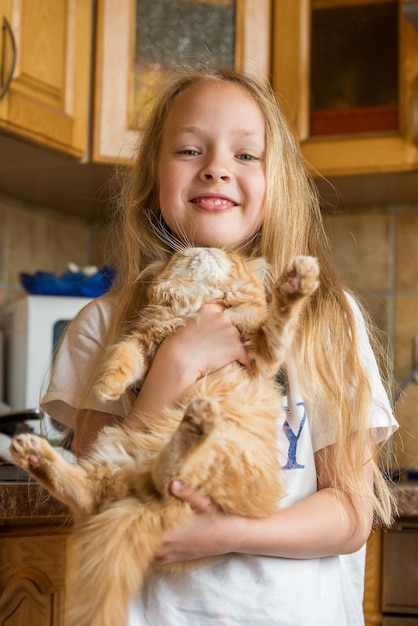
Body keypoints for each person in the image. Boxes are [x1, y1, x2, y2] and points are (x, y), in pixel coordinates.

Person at [41, 67, 398, 625]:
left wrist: (227, 534)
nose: (215, 168)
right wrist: (174, 364)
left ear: (275, 184)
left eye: (246, 156)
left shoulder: (328, 317)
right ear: (152, 179)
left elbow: (351, 515)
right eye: (189, 150)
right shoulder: (103, 326)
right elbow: (102, 499)